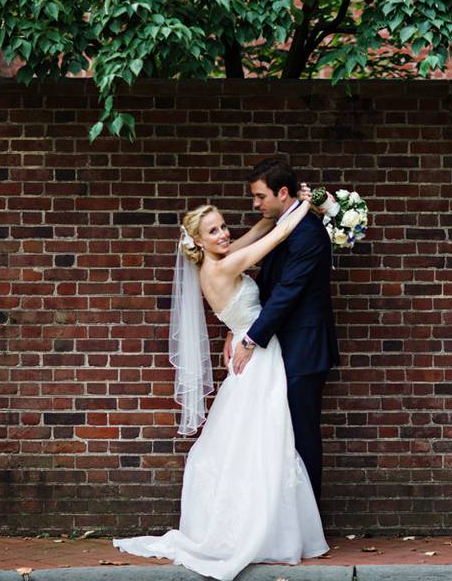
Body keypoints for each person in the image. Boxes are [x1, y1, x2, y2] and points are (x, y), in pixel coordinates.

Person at [114, 185, 328, 581]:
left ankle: (265, 524)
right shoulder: (224, 266)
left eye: (224, 226)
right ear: (197, 241)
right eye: (214, 231)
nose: (225, 234)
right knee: (266, 440)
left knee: (250, 440)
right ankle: (260, 530)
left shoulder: (217, 260)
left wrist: (274, 210)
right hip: (258, 355)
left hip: (249, 348)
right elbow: (277, 235)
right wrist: (305, 205)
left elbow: (261, 228)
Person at [226, 158, 339, 502]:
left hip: (304, 349)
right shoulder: (285, 225)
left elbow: (287, 293)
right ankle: (288, 516)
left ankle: (310, 521)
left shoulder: (307, 233)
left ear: (283, 192)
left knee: (302, 435)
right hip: (283, 347)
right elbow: (265, 287)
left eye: (260, 196)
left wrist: (251, 338)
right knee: (281, 433)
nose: (255, 204)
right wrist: (237, 327)